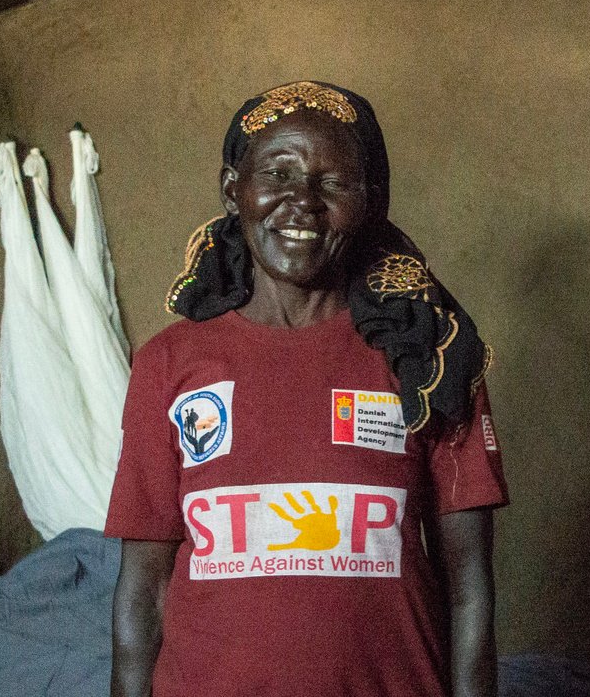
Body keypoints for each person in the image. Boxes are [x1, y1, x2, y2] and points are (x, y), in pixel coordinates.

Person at [105, 81, 508, 697]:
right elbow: (142, 595)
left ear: (369, 200)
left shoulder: (429, 358)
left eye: (334, 182)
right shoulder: (169, 364)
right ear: (231, 188)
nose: (302, 203)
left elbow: (469, 592)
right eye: (279, 173)